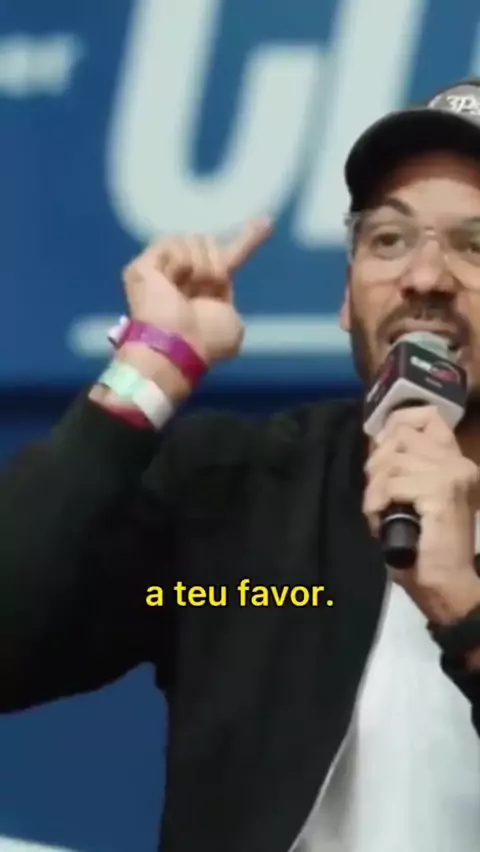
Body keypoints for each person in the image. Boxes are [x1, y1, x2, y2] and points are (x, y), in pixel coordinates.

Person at [2, 76, 480, 852]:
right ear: (346, 294)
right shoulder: (243, 499)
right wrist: (149, 370)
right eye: (389, 240)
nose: (423, 278)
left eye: (476, 244)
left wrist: (465, 609)